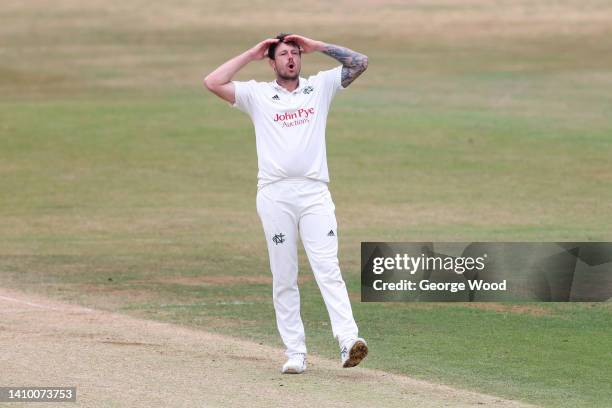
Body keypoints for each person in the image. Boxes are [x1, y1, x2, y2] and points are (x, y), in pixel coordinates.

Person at [204, 33, 369, 374]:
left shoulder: (319, 87)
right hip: (275, 194)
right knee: (284, 275)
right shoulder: (257, 94)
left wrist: (318, 46)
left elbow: (359, 62)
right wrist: (250, 53)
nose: (291, 58)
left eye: (295, 53)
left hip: (314, 193)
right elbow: (213, 81)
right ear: (272, 61)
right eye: (283, 54)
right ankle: (296, 353)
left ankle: (348, 340)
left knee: (328, 268)